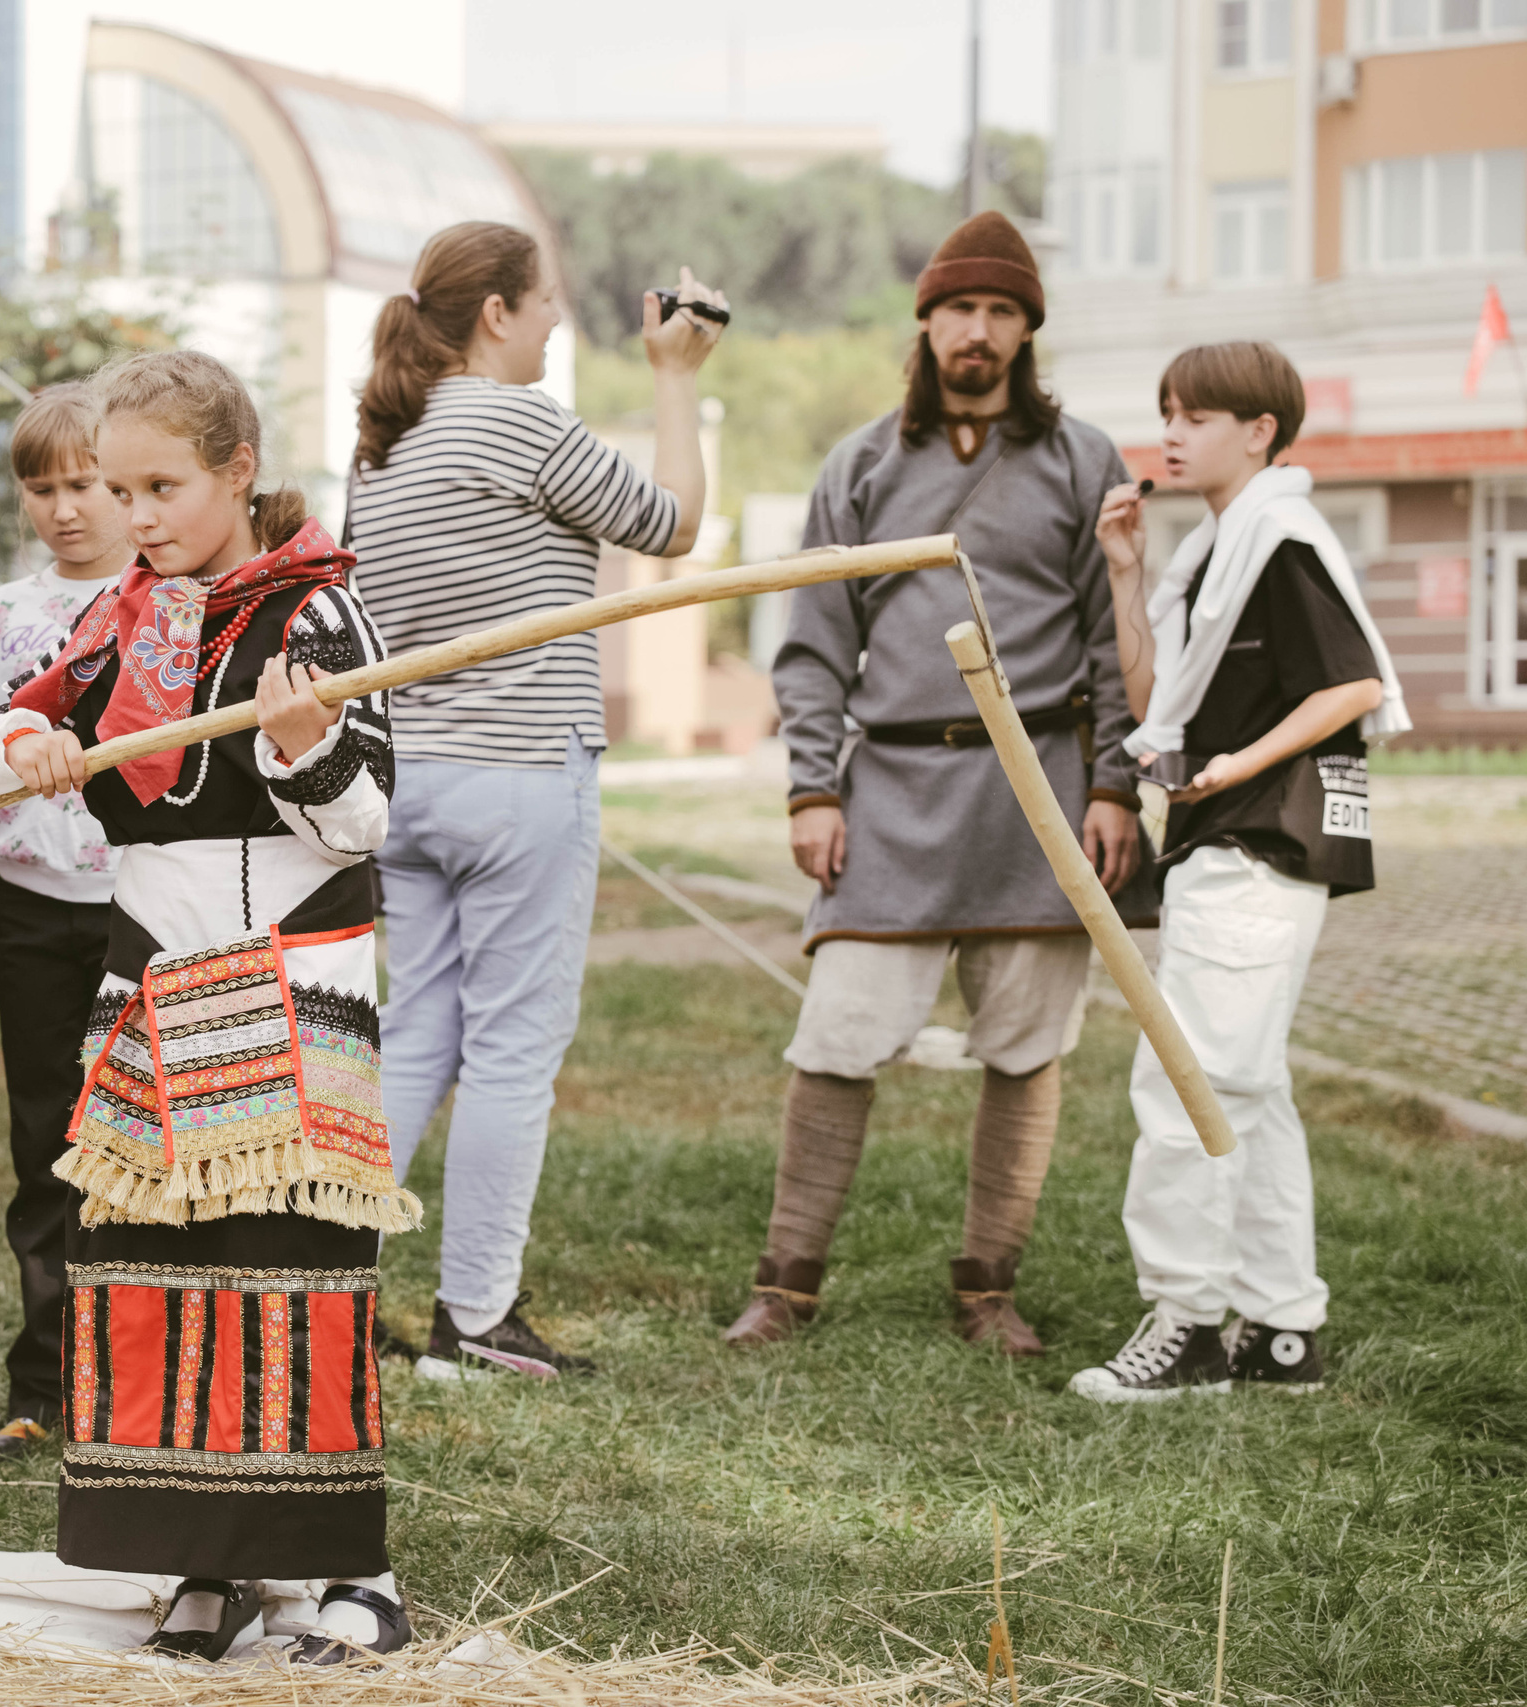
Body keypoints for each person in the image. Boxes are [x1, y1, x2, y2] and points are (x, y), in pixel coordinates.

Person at [0, 348, 416, 1666]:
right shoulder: (119, 625)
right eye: (118, 485)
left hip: (288, 984)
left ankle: (352, 1571)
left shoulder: (318, 614)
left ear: (237, 471)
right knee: (154, 1280)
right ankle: (205, 1566)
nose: (137, 513)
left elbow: (367, 816)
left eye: (163, 485)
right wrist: (24, 751)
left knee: (295, 1278)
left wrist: (303, 747)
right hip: (151, 984)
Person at [725, 210, 1152, 1356]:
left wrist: (1112, 784)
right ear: (926, 321)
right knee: (838, 1035)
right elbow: (813, 642)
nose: (980, 330)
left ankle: (986, 1289)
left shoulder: (1081, 459)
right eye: (962, 308)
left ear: (1025, 333)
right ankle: (787, 1283)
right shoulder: (860, 463)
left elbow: (1112, 638)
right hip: (893, 793)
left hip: (1041, 793)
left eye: (1003, 312)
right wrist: (813, 790)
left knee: (1025, 1044)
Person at [344, 220, 724, 1376]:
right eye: (547, 300)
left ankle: (330, 1290)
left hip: (411, 787)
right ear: (497, 313)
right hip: (521, 781)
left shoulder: (383, 448)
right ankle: (474, 1321)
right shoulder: (517, 423)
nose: (559, 320)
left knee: (410, 1037)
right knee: (513, 1052)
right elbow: (671, 525)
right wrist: (674, 382)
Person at [1070, 343, 1406, 1403]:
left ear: (1258, 430)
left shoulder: (1283, 539)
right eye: (1166, 412)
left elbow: (1350, 685)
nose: (1170, 433)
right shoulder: (1212, 551)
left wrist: (1236, 766)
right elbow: (1153, 698)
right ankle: (1280, 1331)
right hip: (1230, 838)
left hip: (1258, 836)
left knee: (1188, 1079)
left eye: (1197, 416)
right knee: (1247, 1089)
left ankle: (1188, 1325)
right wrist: (1125, 569)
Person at [0, 384, 124, 1461]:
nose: (65, 509)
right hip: (36, 919)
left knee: (131, 1147)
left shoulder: (161, 604)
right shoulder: (2, 619)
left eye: (85, 484)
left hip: (139, 914)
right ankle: (39, 1384)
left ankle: (128, 1380)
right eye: (41, 488)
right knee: (43, 1145)